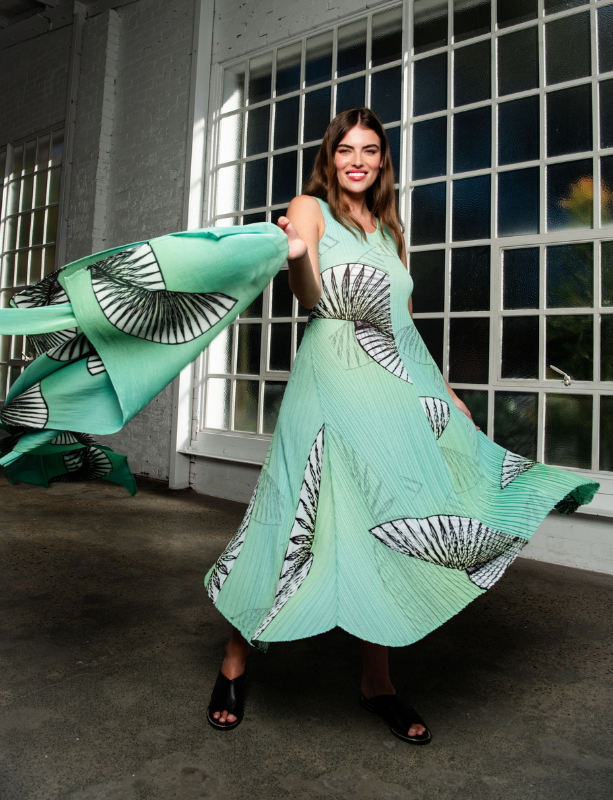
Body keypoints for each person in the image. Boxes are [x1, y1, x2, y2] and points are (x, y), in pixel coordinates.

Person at [205, 107, 598, 743]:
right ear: (330, 157)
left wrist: (443, 390)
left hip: (387, 384)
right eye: (345, 150)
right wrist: (298, 254)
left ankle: (377, 682)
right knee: (288, 513)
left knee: (386, 514)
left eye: (369, 150)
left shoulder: (389, 229)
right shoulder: (308, 207)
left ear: (382, 161)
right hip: (329, 382)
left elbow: (402, 324)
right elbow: (310, 296)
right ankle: (234, 658)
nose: (357, 161)